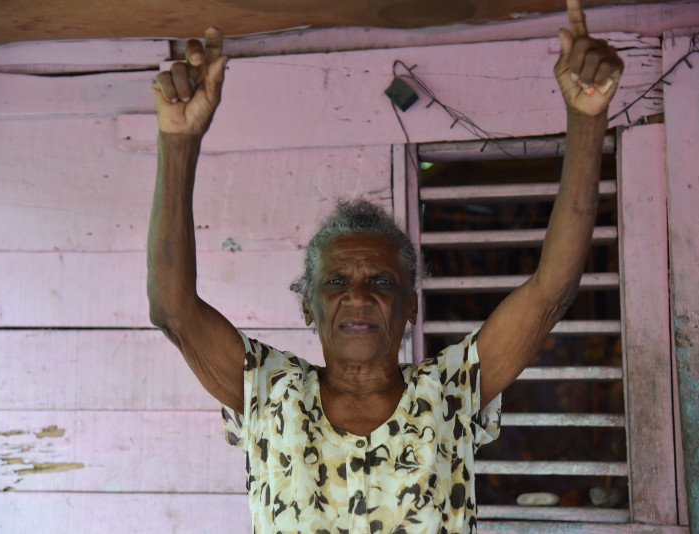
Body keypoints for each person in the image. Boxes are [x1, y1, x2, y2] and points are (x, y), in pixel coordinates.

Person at [147, 0, 624, 531]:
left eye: (380, 280)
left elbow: (550, 293)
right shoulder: (271, 393)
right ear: (308, 306)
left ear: (410, 306)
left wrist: (587, 121)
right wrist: (178, 142)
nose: (358, 296)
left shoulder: (448, 392)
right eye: (336, 281)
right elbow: (173, 311)